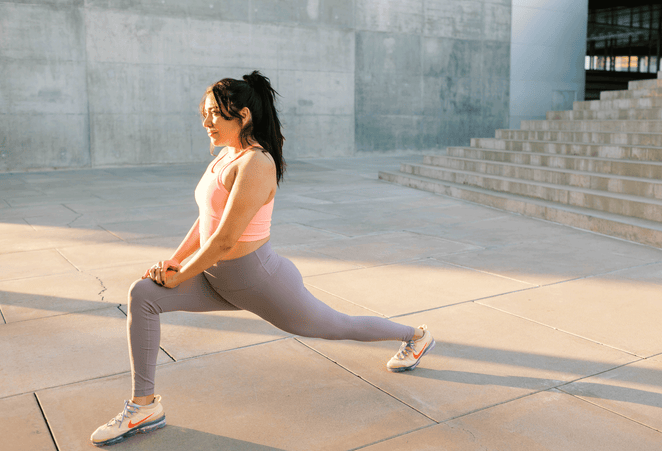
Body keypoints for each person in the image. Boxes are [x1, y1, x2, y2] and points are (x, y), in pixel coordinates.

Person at [90, 71, 435, 447]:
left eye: (215, 115)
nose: (206, 122)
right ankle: (144, 407)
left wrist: (183, 273)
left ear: (243, 116)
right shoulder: (225, 157)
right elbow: (206, 221)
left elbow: (224, 240)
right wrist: (174, 263)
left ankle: (415, 336)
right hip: (217, 281)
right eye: (204, 113)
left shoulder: (256, 163)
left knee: (338, 325)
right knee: (144, 294)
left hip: (260, 281)